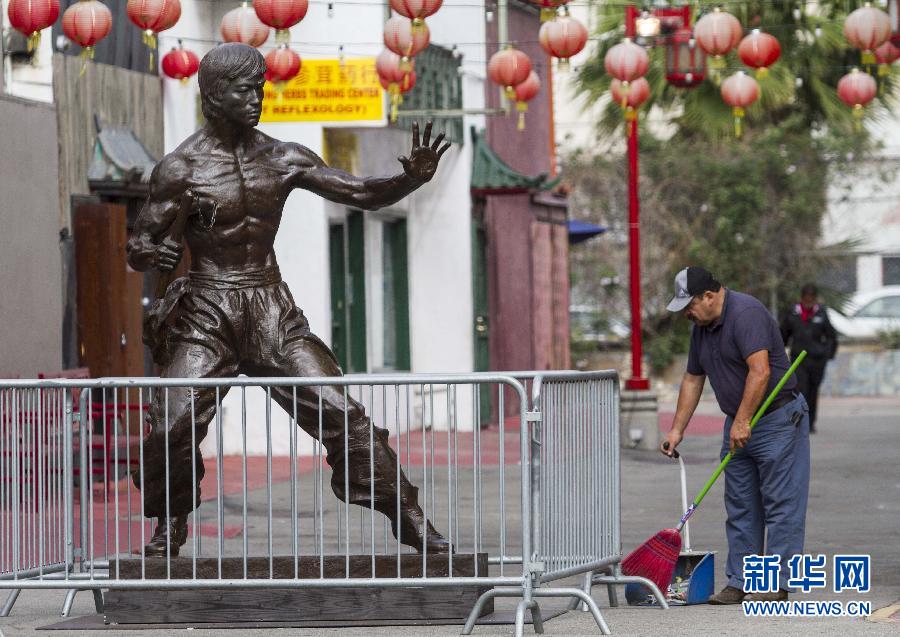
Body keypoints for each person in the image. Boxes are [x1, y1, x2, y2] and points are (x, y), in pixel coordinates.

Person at [126, 43, 452, 557]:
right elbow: (138, 247)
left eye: (260, 89)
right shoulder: (180, 168)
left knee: (343, 412)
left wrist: (409, 179)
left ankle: (410, 518)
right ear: (214, 95)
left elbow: (360, 193)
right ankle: (171, 523)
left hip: (270, 308)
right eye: (245, 90)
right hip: (207, 308)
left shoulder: (282, 158)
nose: (257, 99)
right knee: (172, 421)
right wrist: (155, 251)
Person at [660, 267, 810, 604]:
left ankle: (776, 583)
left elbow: (760, 371)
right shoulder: (701, 328)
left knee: (781, 505)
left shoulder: (746, 314)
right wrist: (677, 429)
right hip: (738, 422)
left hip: (777, 419)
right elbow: (693, 378)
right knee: (741, 504)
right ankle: (741, 581)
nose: (686, 313)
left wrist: (743, 421)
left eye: (689, 305)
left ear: (709, 296)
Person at [780, 283, 838, 433]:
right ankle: (799, 422)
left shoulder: (821, 313)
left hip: (817, 360)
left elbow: (831, 336)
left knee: (813, 391)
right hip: (799, 360)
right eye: (806, 299)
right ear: (802, 298)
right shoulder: (793, 313)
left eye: (811, 299)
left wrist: (828, 354)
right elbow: (783, 334)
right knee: (801, 391)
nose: (809, 303)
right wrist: (779, 355)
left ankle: (811, 423)